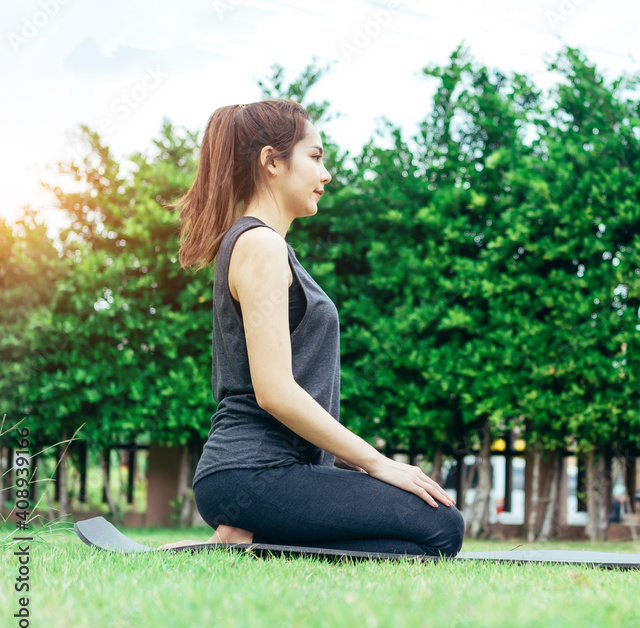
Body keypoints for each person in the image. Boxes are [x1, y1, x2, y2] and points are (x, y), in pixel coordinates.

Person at [158, 99, 464, 557]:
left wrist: (353, 468)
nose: (326, 175)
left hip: (266, 472)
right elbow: (273, 391)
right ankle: (249, 536)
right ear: (272, 161)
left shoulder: (267, 246)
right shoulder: (259, 244)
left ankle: (249, 539)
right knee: (440, 527)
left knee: (431, 531)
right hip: (252, 471)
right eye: (316, 157)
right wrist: (380, 465)